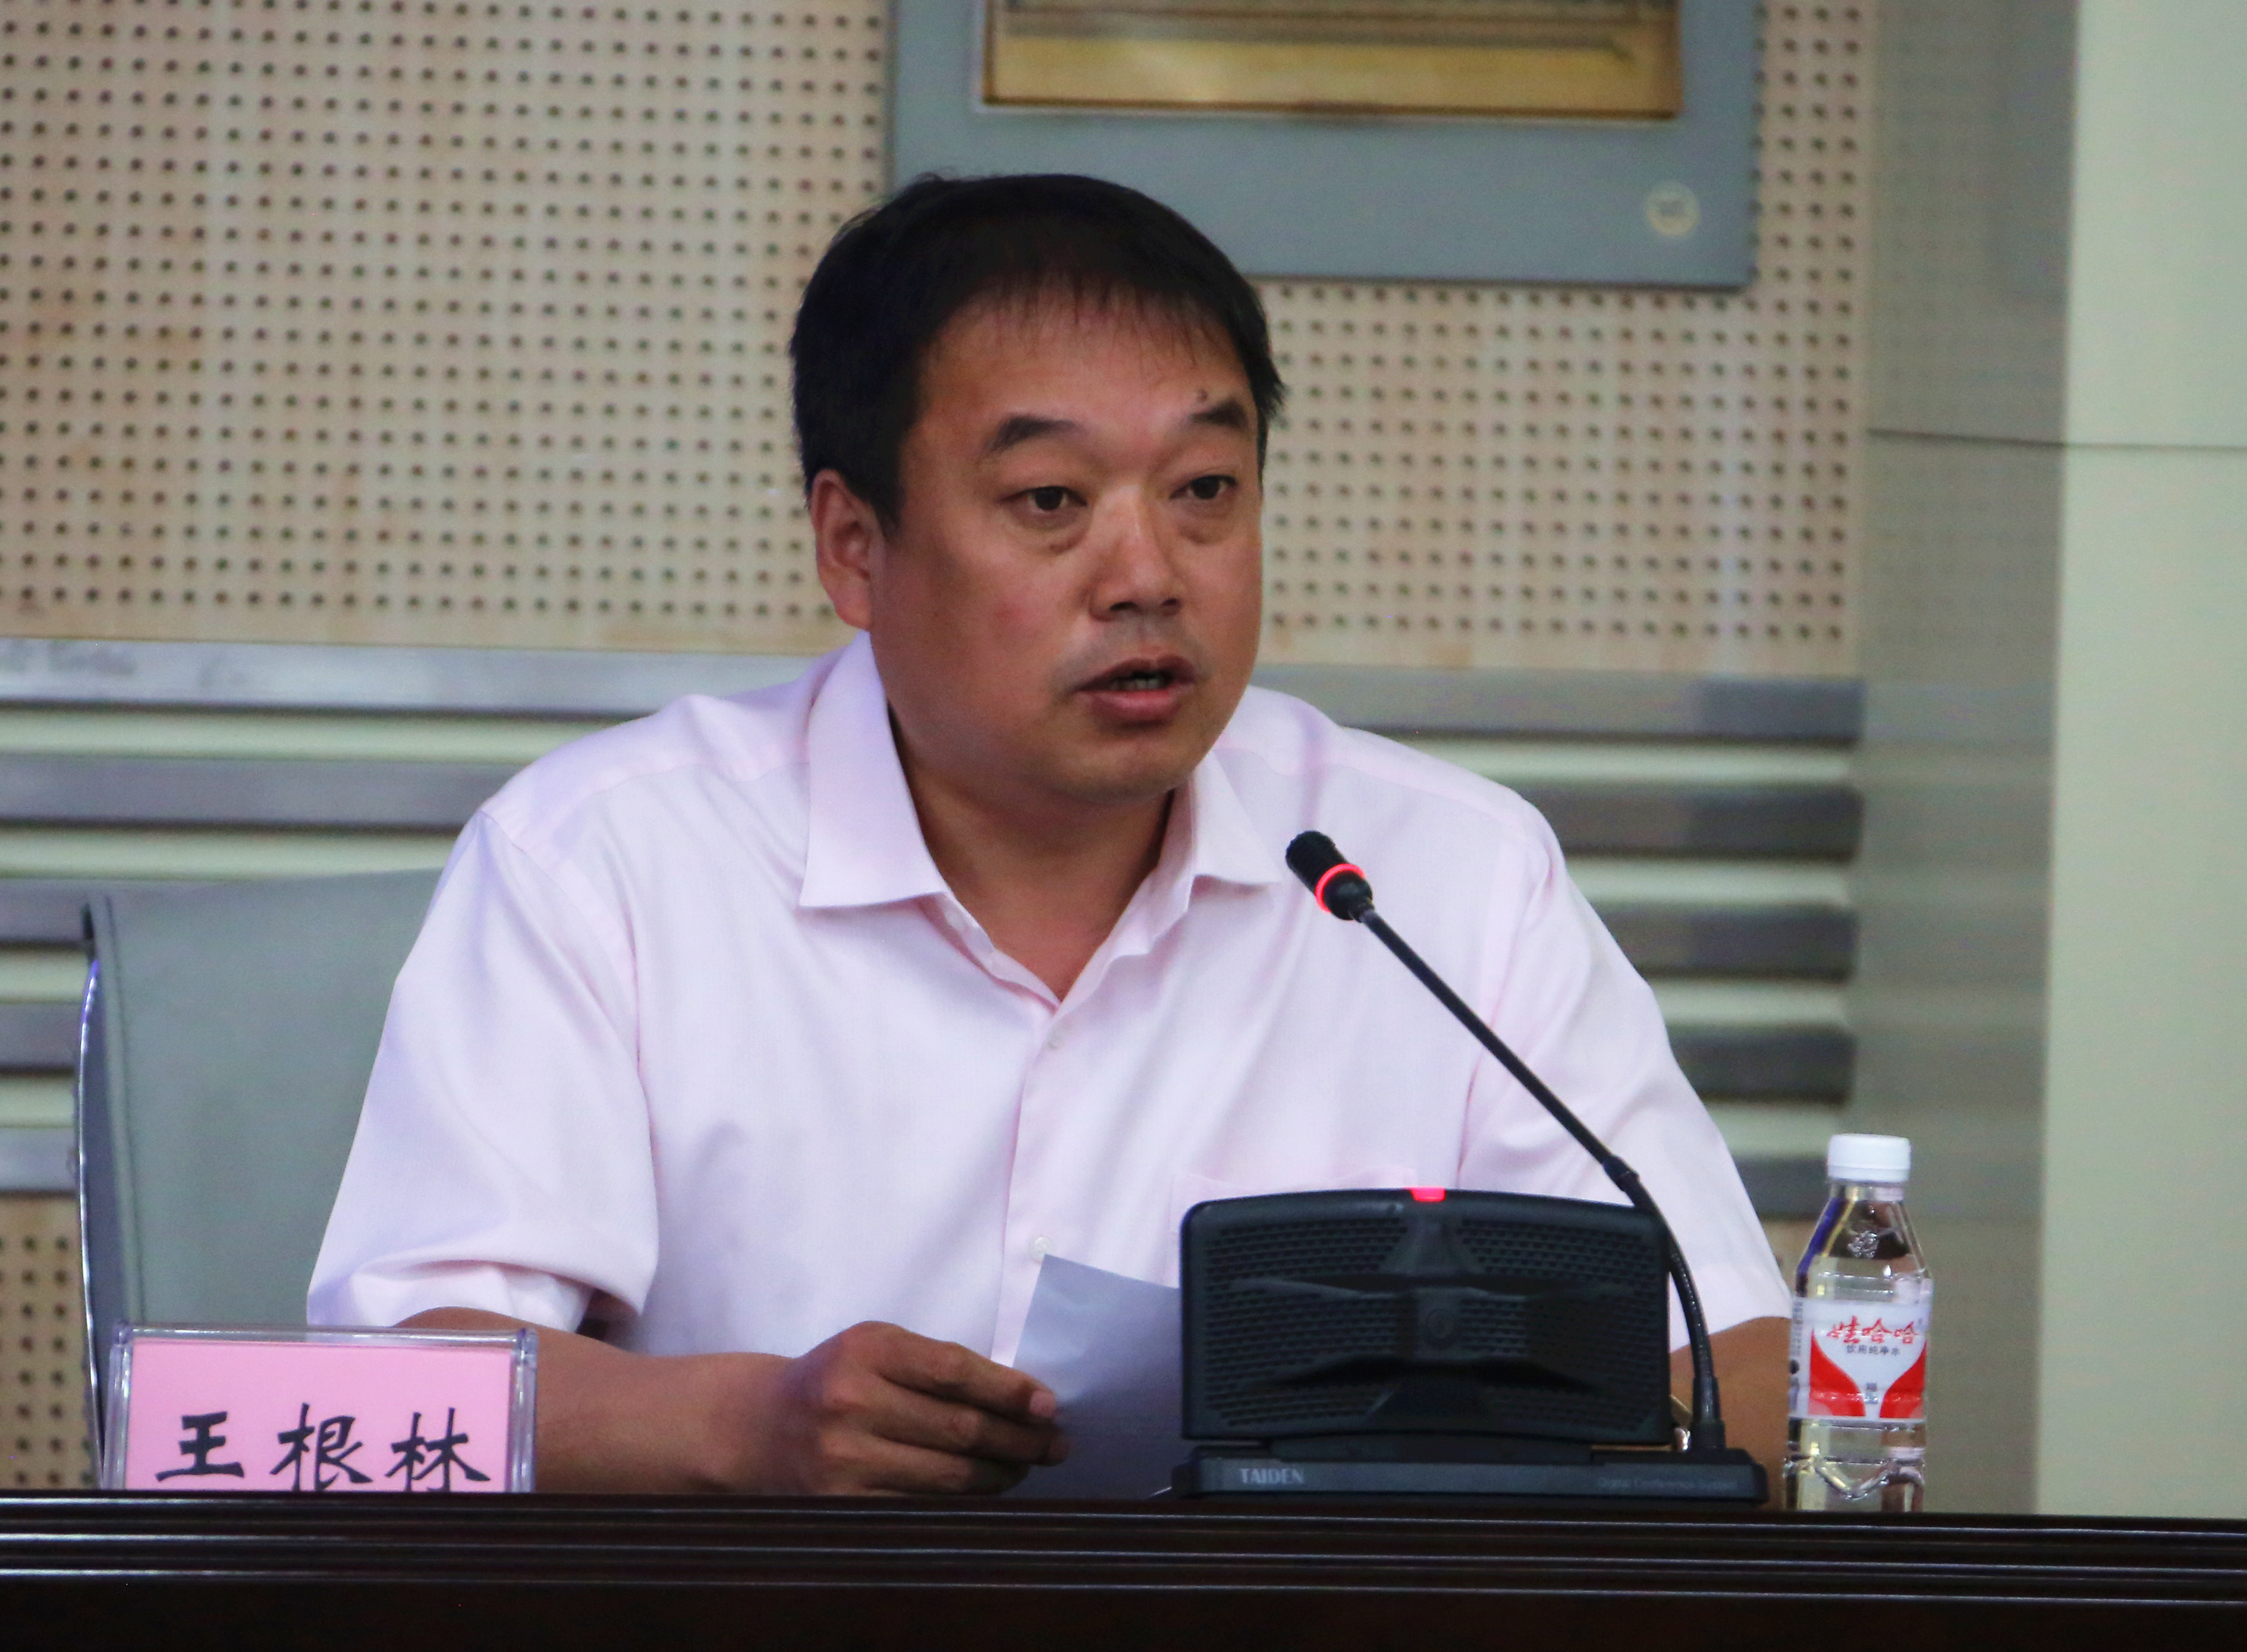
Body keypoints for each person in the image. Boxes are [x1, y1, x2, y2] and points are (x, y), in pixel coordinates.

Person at [310, 173, 1790, 1496]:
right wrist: (747, 1431)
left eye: (1205, 491)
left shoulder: (1442, 877)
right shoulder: (607, 860)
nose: (1147, 573)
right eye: (1049, 500)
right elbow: (398, 1393)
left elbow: (1737, 1369)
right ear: (854, 545)